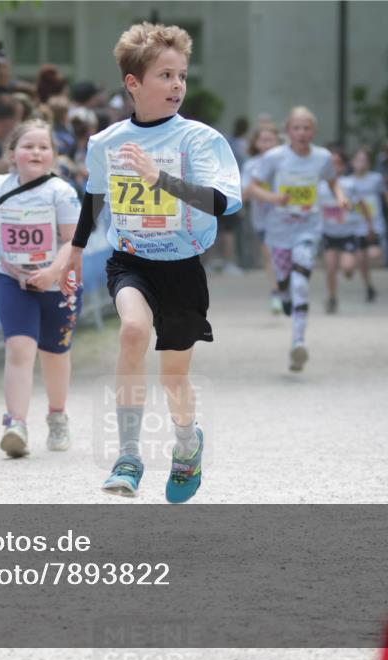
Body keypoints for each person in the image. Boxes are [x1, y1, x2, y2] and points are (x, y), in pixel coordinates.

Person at [60, 22, 242, 503]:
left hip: (183, 267)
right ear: (133, 83)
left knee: (174, 377)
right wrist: (75, 250)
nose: (178, 85)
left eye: (182, 75)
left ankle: (187, 444)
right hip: (131, 261)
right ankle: (129, 457)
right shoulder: (106, 142)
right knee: (133, 331)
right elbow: (94, 197)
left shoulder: (199, 140)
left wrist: (160, 177)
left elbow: (222, 203)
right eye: (165, 75)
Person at [0, 119, 83, 457]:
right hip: (11, 277)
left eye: (43, 147)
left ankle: (57, 416)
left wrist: (52, 272)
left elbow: (73, 242)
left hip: (57, 282)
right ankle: (15, 423)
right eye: (28, 146)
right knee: (19, 349)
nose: (35, 152)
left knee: (54, 353)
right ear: (12, 153)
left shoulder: (60, 192)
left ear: (53, 155)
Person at [246, 106, 347, 372]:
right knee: (284, 285)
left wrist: (340, 197)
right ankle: (283, 294)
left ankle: (298, 343)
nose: (302, 133)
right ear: (288, 131)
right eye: (297, 128)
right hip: (279, 230)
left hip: (308, 228)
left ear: (314, 131)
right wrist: (274, 198)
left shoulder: (323, 157)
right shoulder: (275, 157)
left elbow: (332, 181)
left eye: (307, 128)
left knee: (301, 283)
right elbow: (252, 188)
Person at [348, 146, 388, 302]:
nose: (361, 164)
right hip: (355, 224)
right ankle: (368, 286)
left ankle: (367, 276)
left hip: (374, 224)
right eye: (358, 160)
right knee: (360, 260)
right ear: (352, 162)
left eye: (364, 160)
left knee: (373, 254)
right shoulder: (347, 182)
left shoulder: (376, 178)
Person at [240, 124, 282, 312]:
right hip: (263, 219)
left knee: (285, 256)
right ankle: (276, 291)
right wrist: (270, 197)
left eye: (270, 140)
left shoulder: (286, 161)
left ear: (278, 141)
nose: (266, 144)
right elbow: (244, 192)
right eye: (262, 140)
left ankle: (285, 288)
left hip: (287, 218)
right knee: (270, 255)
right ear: (256, 143)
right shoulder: (251, 165)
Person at [321, 149, 359, 314]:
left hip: (347, 233)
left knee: (348, 269)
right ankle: (332, 297)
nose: (334, 167)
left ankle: (350, 271)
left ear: (343, 167)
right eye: (331, 164)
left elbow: (360, 204)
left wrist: (349, 205)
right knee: (330, 267)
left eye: (338, 164)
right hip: (328, 233)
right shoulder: (319, 185)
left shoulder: (350, 184)